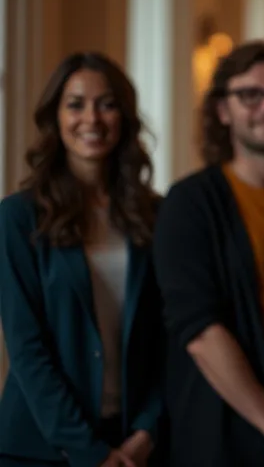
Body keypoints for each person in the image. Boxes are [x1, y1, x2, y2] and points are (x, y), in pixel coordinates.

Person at [154, 41, 264, 466]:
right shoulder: (190, 203)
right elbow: (200, 331)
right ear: (223, 110)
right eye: (250, 94)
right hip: (228, 435)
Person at [0, 52, 164, 466]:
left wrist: (146, 433)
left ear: (124, 117)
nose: (92, 118)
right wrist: (89, 452)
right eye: (75, 104)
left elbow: (167, 338)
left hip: (135, 444)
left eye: (107, 104)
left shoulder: (156, 215)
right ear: (55, 117)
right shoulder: (18, 217)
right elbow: (27, 349)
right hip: (41, 448)